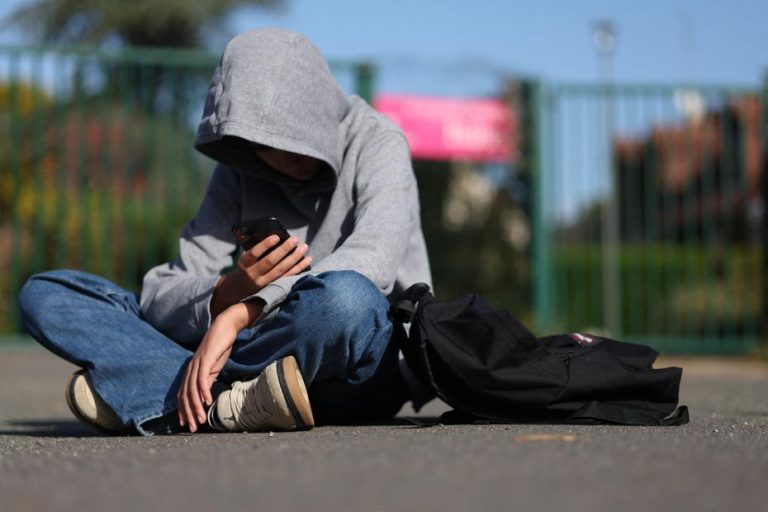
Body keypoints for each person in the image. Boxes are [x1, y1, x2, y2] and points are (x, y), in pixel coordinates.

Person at [18, 27, 432, 435]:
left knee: (346, 299)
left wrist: (241, 313)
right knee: (48, 294)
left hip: (356, 365)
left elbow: (372, 263)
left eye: (293, 142)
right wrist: (231, 288)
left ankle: (171, 391)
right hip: (265, 350)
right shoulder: (239, 169)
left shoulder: (379, 140)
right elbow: (163, 294)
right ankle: (234, 402)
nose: (281, 160)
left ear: (319, 114)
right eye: (263, 146)